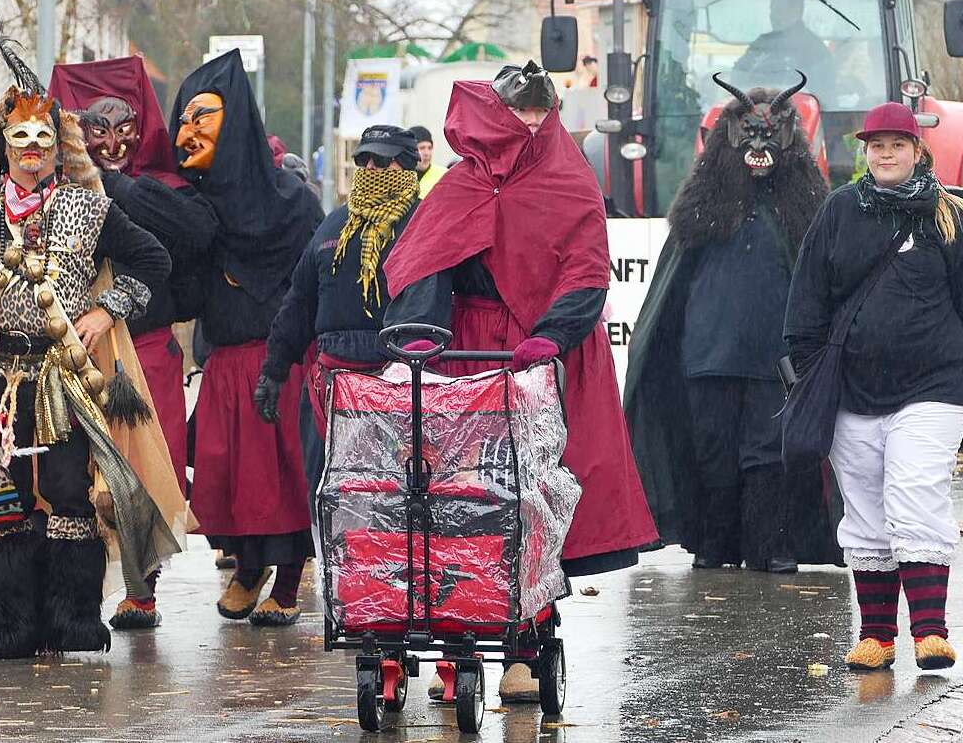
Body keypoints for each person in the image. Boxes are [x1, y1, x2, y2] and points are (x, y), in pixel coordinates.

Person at [383, 61, 658, 702]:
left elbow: (587, 272)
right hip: (467, 355)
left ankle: (524, 648)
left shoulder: (570, 179)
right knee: (463, 501)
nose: (531, 124)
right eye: (519, 113)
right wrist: (421, 332)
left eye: (540, 113)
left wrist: (551, 335)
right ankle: (459, 636)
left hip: (538, 358)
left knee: (533, 501)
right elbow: (428, 263)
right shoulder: (461, 183)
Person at [0, 24, 178, 658]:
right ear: (2, 146)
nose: (32, 150)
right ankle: (8, 629)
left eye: (43, 139)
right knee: (2, 497)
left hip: (64, 376)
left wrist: (104, 311)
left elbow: (154, 261)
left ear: (58, 146)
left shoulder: (88, 206)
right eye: (19, 139)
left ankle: (73, 620)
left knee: (70, 491)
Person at [624, 73, 841, 573]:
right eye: (749, 135)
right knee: (713, 449)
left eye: (772, 135)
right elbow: (671, 290)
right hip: (707, 353)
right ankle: (715, 542)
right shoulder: (705, 207)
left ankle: (770, 545)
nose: (760, 146)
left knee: (767, 451)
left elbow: (819, 281)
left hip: (774, 357)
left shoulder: (805, 210)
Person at [785, 102, 963, 671]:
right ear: (865, 153)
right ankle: (876, 636)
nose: (885, 154)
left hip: (933, 385)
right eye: (875, 145)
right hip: (852, 388)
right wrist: (810, 368)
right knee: (864, 510)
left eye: (896, 145)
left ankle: (930, 630)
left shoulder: (948, 213)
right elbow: (808, 294)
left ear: (918, 151)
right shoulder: (840, 210)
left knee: (914, 494)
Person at [48, 55, 219, 629]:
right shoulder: (50, 191)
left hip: (144, 352)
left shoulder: (163, 189)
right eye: (98, 130)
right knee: (67, 473)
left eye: (125, 129)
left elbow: (191, 238)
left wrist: (114, 187)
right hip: (64, 352)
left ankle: (141, 590)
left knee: (144, 470)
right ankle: (70, 593)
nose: (113, 142)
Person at [171, 50, 325, 626]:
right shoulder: (199, 204)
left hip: (281, 362)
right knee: (230, 477)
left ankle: (286, 579)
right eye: (183, 119)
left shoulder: (293, 203)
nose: (189, 131)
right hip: (225, 361)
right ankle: (247, 566)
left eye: (203, 117)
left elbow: (312, 284)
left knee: (283, 477)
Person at [256, 125, 420, 534]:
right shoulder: (333, 226)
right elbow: (298, 304)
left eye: (380, 161)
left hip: (400, 381)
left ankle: (394, 589)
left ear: (407, 165)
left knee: (395, 498)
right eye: (363, 159)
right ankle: (341, 586)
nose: (369, 167)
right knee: (329, 493)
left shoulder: (426, 223)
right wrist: (273, 372)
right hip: (331, 386)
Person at [732, 0, 834, 99]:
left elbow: (823, 96)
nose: (773, 15)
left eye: (779, 9)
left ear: (797, 9)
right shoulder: (762, 43)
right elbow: (738, 76)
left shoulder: (816, 50)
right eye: (772, 9)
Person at [408, 126, 446, 199]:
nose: (427, 153)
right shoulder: (399, 177)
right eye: (422, 148)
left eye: (430, 148)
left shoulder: (444, 175)